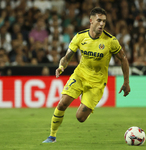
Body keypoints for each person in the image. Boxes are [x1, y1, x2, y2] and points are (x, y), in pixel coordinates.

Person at [42, 7, 130, 143]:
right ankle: (52, 136)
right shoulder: (80, 37)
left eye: (104, 21)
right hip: (80, 76)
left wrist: (126, 82)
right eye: (99, 20)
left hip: (97, 83)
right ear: (91, 21)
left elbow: (123, 59)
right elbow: (67, 57)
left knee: (80, 118)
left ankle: (86, 105)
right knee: (62, 104)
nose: (101, 24)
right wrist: (61, 66)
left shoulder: (111, 41)